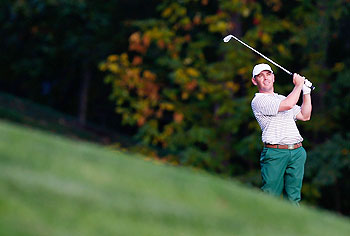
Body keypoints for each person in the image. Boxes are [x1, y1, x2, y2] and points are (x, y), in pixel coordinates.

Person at [250, 63, 312, 205]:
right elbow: (288, 105)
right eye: (260, 75)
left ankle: (293, 227)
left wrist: (306, 91)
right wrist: (298, 86)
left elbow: (305, 115)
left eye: (268, 74)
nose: (265, 78)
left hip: (297, 152)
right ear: (255, 81)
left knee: (294, 198)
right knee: (270, 195)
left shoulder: (281, 98)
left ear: (273, 77)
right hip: (275, 152)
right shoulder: (258, 101)